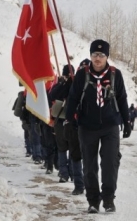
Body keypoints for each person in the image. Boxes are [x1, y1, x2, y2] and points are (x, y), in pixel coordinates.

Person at [65, 39, 130, 214]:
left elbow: (122, 99)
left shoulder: (116, 75)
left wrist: (127, 121)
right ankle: (93, 200)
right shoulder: (82, 75)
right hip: (87, 126)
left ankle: (108, 199)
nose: (97, 58)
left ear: (107, 56)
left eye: (101, 55)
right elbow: (72, 97)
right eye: (94, 54)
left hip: (110, 125)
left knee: (110, 163)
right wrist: (69, 118)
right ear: (90, 56)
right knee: (89, 166)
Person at [49, 64, 84, 195]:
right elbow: (52, 95)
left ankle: (74, 175)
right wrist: (63, 83)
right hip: (61, 120)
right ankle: (64, 173)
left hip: (74, 122)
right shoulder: (61, 84)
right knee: (62, 148)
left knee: (74, 151)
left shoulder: (78, 83)